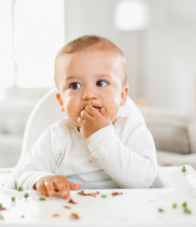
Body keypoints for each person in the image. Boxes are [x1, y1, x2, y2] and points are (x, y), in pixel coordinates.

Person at [16, 35, 157, 200]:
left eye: (101, 83)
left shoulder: (131, 130)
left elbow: (145, 180)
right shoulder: (56, 136)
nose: (89, 95)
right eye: (75, 85)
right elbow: (24, 174)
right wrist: (43, 179)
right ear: (61, 101)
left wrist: (101, 136)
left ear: (122, 95)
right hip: (69, 213)